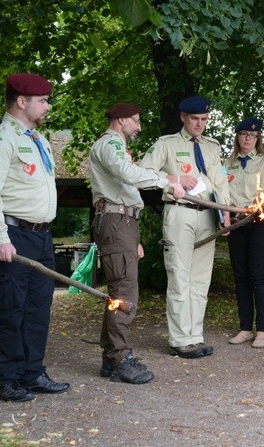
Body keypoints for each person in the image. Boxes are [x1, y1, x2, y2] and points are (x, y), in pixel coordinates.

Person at [0, 73, 69, 402]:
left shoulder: (37, 141)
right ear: (22, 101)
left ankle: (32, 372)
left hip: (40, 237)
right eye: (43, 100)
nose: (48, 105)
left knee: (38, 308)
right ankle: (5, 379)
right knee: (7, 309)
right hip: (11, 235)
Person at [89, 103, 185, 384]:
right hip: (117, 223)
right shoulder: (110, 145)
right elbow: (129, 176)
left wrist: (135, 238)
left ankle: (111, 358)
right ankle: (119, 358)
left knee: (121, 289)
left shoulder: (115, 147)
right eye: (136, 121)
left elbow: (125, 190)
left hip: (123, 224)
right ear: (121, 120)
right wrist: (168, 181)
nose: (139, 127)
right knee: (124, 292)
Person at [139, 96, 230, 359]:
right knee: (180, 277)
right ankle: (180, 339)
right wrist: (174, 179)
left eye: (204, 119)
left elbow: (220, 183)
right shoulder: (166, 144)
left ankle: (195, 336)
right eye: (194, 119)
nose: (200, 124)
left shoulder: (213, 147)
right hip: (180, 214)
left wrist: (225, 213)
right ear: (183, 117)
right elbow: (143, 173)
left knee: (200, 280)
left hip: (209, 215)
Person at [225, 117, 264, 348]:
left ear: (258, 139)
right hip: (236, 223)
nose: (248, 138)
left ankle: (263, 330)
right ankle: (245, 328)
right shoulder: (228, 162)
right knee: (240, 276)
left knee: (258, 274)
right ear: (237, 136)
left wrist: (253, 210)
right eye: (244, 134)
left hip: (259, 221)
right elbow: (221, 192)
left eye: (253, 135)